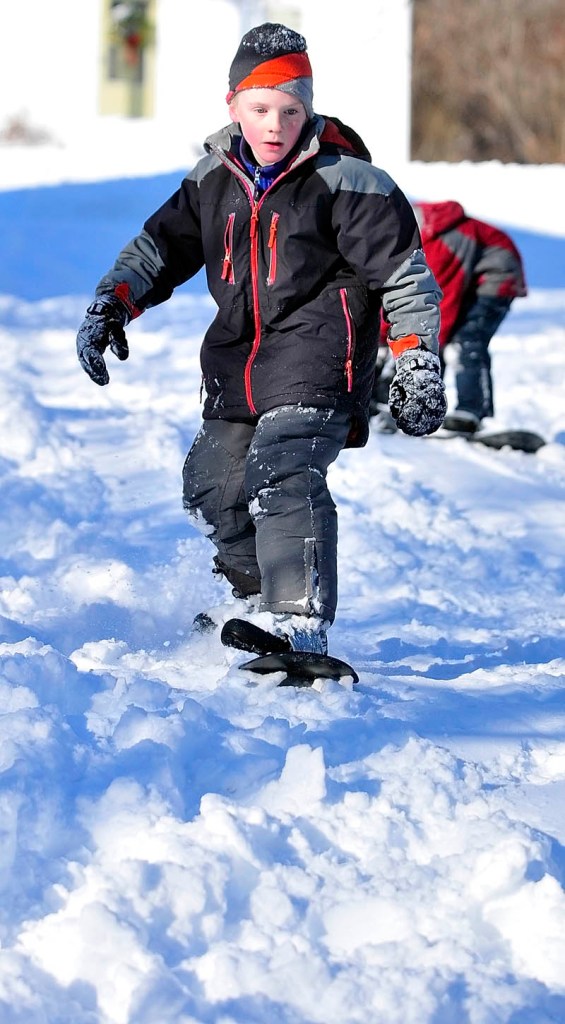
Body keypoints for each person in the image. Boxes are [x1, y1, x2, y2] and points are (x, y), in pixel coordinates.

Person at [76, 22, 446, 656]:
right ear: (233, 106)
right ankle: (252, 600)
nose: (275, 125)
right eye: (260, 109)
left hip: (320, 359)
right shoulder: (210, 179)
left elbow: (403, 276)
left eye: (290, 110)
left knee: (284, 468)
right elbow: (160, 248)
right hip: (237, 364)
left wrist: (416, 360)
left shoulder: (350, 182)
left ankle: (298, 620)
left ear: (309, 110)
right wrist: (113, 304)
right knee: (212, 487)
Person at [371, 200, 527, 434]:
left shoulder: (442, 244)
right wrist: (383, 339)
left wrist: (424, 345)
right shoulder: (413, 239)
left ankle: (472, 412)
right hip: (473, 277)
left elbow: (439, 301)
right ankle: (420, 406)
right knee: (436, 340)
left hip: (498, 277)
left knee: (465, 341)